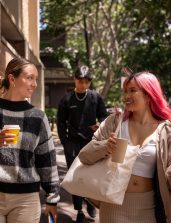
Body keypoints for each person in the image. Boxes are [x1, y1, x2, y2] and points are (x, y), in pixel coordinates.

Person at [78, 70, 171, 223]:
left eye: (132, 91)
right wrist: (105, 147)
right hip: (112, 207)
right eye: (125, 91)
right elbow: (84, 156)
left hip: (149, 209)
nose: (126, 96)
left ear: (148, 95)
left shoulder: (167, 133)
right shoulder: (114, 123)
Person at [0, 58, 60, 223]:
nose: (35, 84)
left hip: (26, 200)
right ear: (12, 79)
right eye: (29, 78)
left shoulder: (38, 117)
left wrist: (52, 198)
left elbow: (47, 160)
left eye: (36, 79)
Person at [57, 65, 108, 222]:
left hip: (92, 142)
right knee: (75, 176)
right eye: (81, 81)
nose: (84, 84)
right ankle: (79, 210)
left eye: (87, 81)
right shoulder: (66, 99)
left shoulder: (95, 97)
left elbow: (104, 116)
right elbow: (60, 122)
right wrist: (65, 142)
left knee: (92, 174)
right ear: (75, 80)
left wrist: (100, 125)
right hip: (72, 142)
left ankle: (91, 202)